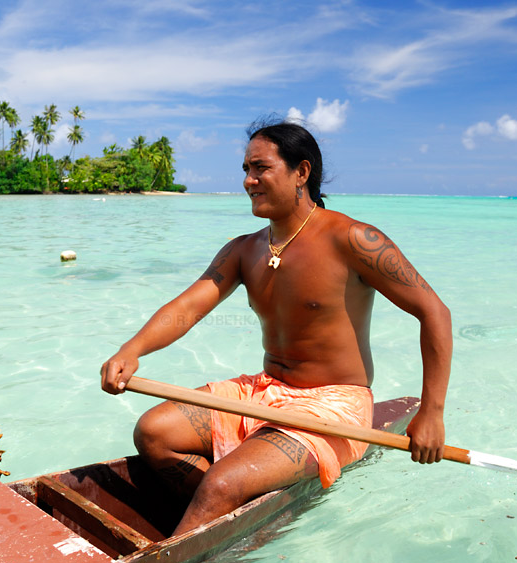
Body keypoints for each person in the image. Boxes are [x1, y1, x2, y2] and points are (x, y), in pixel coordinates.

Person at [101, 120, 452, 535]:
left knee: (222, 481)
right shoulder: (244, 249)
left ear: (301, 172)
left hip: (332, 406)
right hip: (263, 391)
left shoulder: (354, 239)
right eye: (245, 169)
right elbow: (187, 307)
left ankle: (217, 504)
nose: (248, 181)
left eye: (260, 168)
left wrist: (432, 412)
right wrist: (131, 350)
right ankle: (229, 515)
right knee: (154, 432)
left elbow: (434, 312)